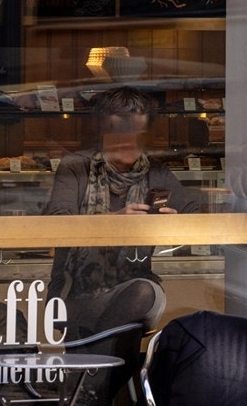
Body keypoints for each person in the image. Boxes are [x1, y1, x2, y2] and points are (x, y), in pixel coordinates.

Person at [44, 86, 200, 304]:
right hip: (74, 290)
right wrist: (117, 221)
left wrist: (172, 224)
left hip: (134, 286)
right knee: (145, 294)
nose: (130, 142)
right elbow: (58, 225)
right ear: (102, 132)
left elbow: (194, 215)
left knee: (145, 293)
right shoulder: (77, 167)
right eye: (121, 133)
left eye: (138, 134)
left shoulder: (156, 172)